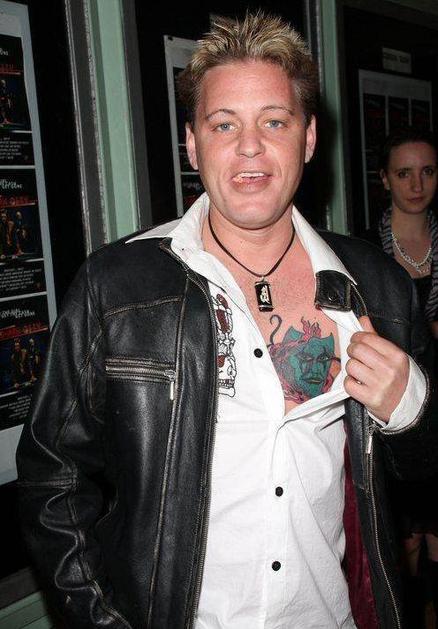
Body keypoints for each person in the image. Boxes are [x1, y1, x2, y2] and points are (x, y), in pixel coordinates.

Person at [17, 12, 438, 629]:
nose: (250, 147)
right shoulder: (118, 287)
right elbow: (51, 473)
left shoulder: (377, 287)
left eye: (274, 121)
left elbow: (421, 477)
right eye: (224, 124)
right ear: (193, 142)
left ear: (309, 138)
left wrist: (412, 410)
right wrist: (97, 618)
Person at [362, 128, 438, 628]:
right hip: (393, 406)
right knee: (402, 536)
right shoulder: (363, 250)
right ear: (385, 179)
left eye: (427, 172)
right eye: (404, 173)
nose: (417, 184)